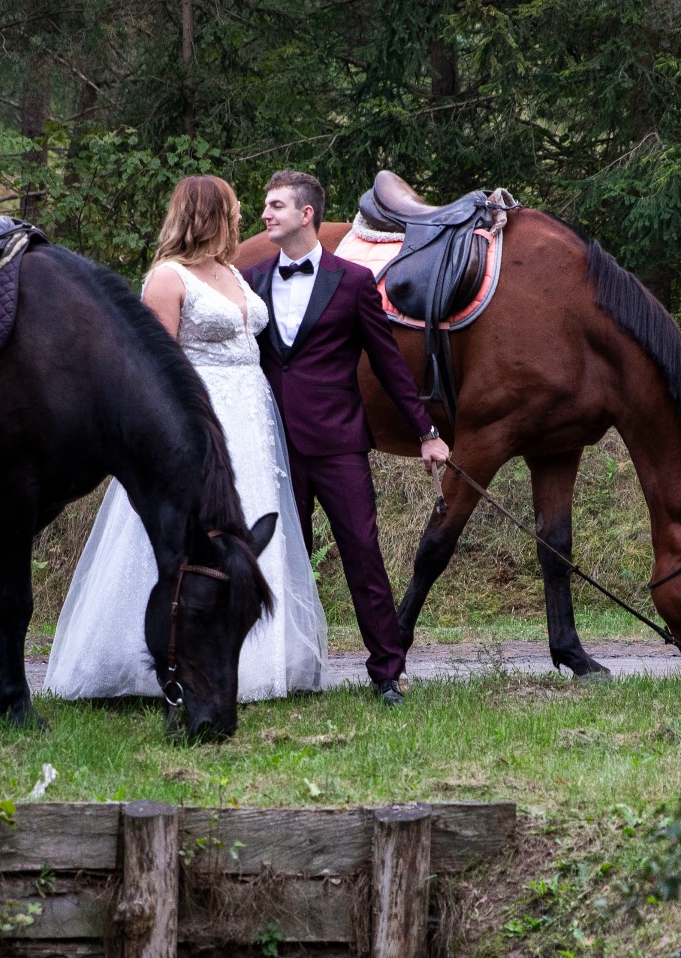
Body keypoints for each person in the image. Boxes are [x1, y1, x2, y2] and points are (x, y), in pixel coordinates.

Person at [43, 176, 328, 703]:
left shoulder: (232, 272)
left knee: (249, 527)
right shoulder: (167, 278)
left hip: (251, 420)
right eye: (233, 209)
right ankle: (138, 660)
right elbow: (155, 369)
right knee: (185, 531)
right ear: (208, 214)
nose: (241, 217)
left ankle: (258, 661)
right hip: (200, 418)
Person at [243, 170, 450, 706]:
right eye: (266, 205)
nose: (265, 214)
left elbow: (389, 365)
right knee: (279, 557)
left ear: (305, 213)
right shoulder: (252, 280)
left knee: (363, 554)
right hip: (274, 447)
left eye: (276, 206)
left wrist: (426, 432)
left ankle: (387, 672)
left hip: (339, 444)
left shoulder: (354, 281)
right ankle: (283, 667)